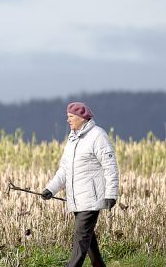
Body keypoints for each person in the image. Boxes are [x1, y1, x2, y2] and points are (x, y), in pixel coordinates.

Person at [42, 101, 120, 267]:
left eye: (70, 117)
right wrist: (51, 189)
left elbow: (110, 167)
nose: (68, 120)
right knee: (87, 237)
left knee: (81, 236)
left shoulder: (98, 136)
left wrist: (111, 195)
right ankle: (98, 264)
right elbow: (64, 169)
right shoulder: (72, 139)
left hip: (91, 199)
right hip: (77, 199)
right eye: (67, 117)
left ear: (81, 117)